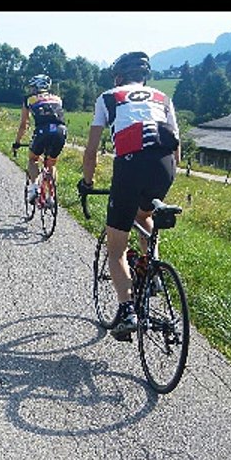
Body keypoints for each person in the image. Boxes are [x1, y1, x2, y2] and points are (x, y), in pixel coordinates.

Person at [78, 52, 181, 340]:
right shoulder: (163, 97)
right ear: (145, 77)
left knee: (116, 248)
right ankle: (153, 267)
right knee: (144, 214)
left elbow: (91, 151)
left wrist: (88, 182)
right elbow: (177, 149)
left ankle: (126, 311)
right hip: (165, 166)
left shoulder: (108, 97)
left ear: (119, 77)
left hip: (130, 164)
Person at [12, 74, 67, 205]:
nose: (30, 90)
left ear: (37, 87)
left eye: (32, 87)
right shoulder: (57, 99)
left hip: (43, 131)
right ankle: (51, 196)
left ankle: (34, 189)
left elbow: (24, 124)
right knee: (51, 163)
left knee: (33, 159)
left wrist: (17, 142)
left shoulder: (29, 99)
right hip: (61, 131)